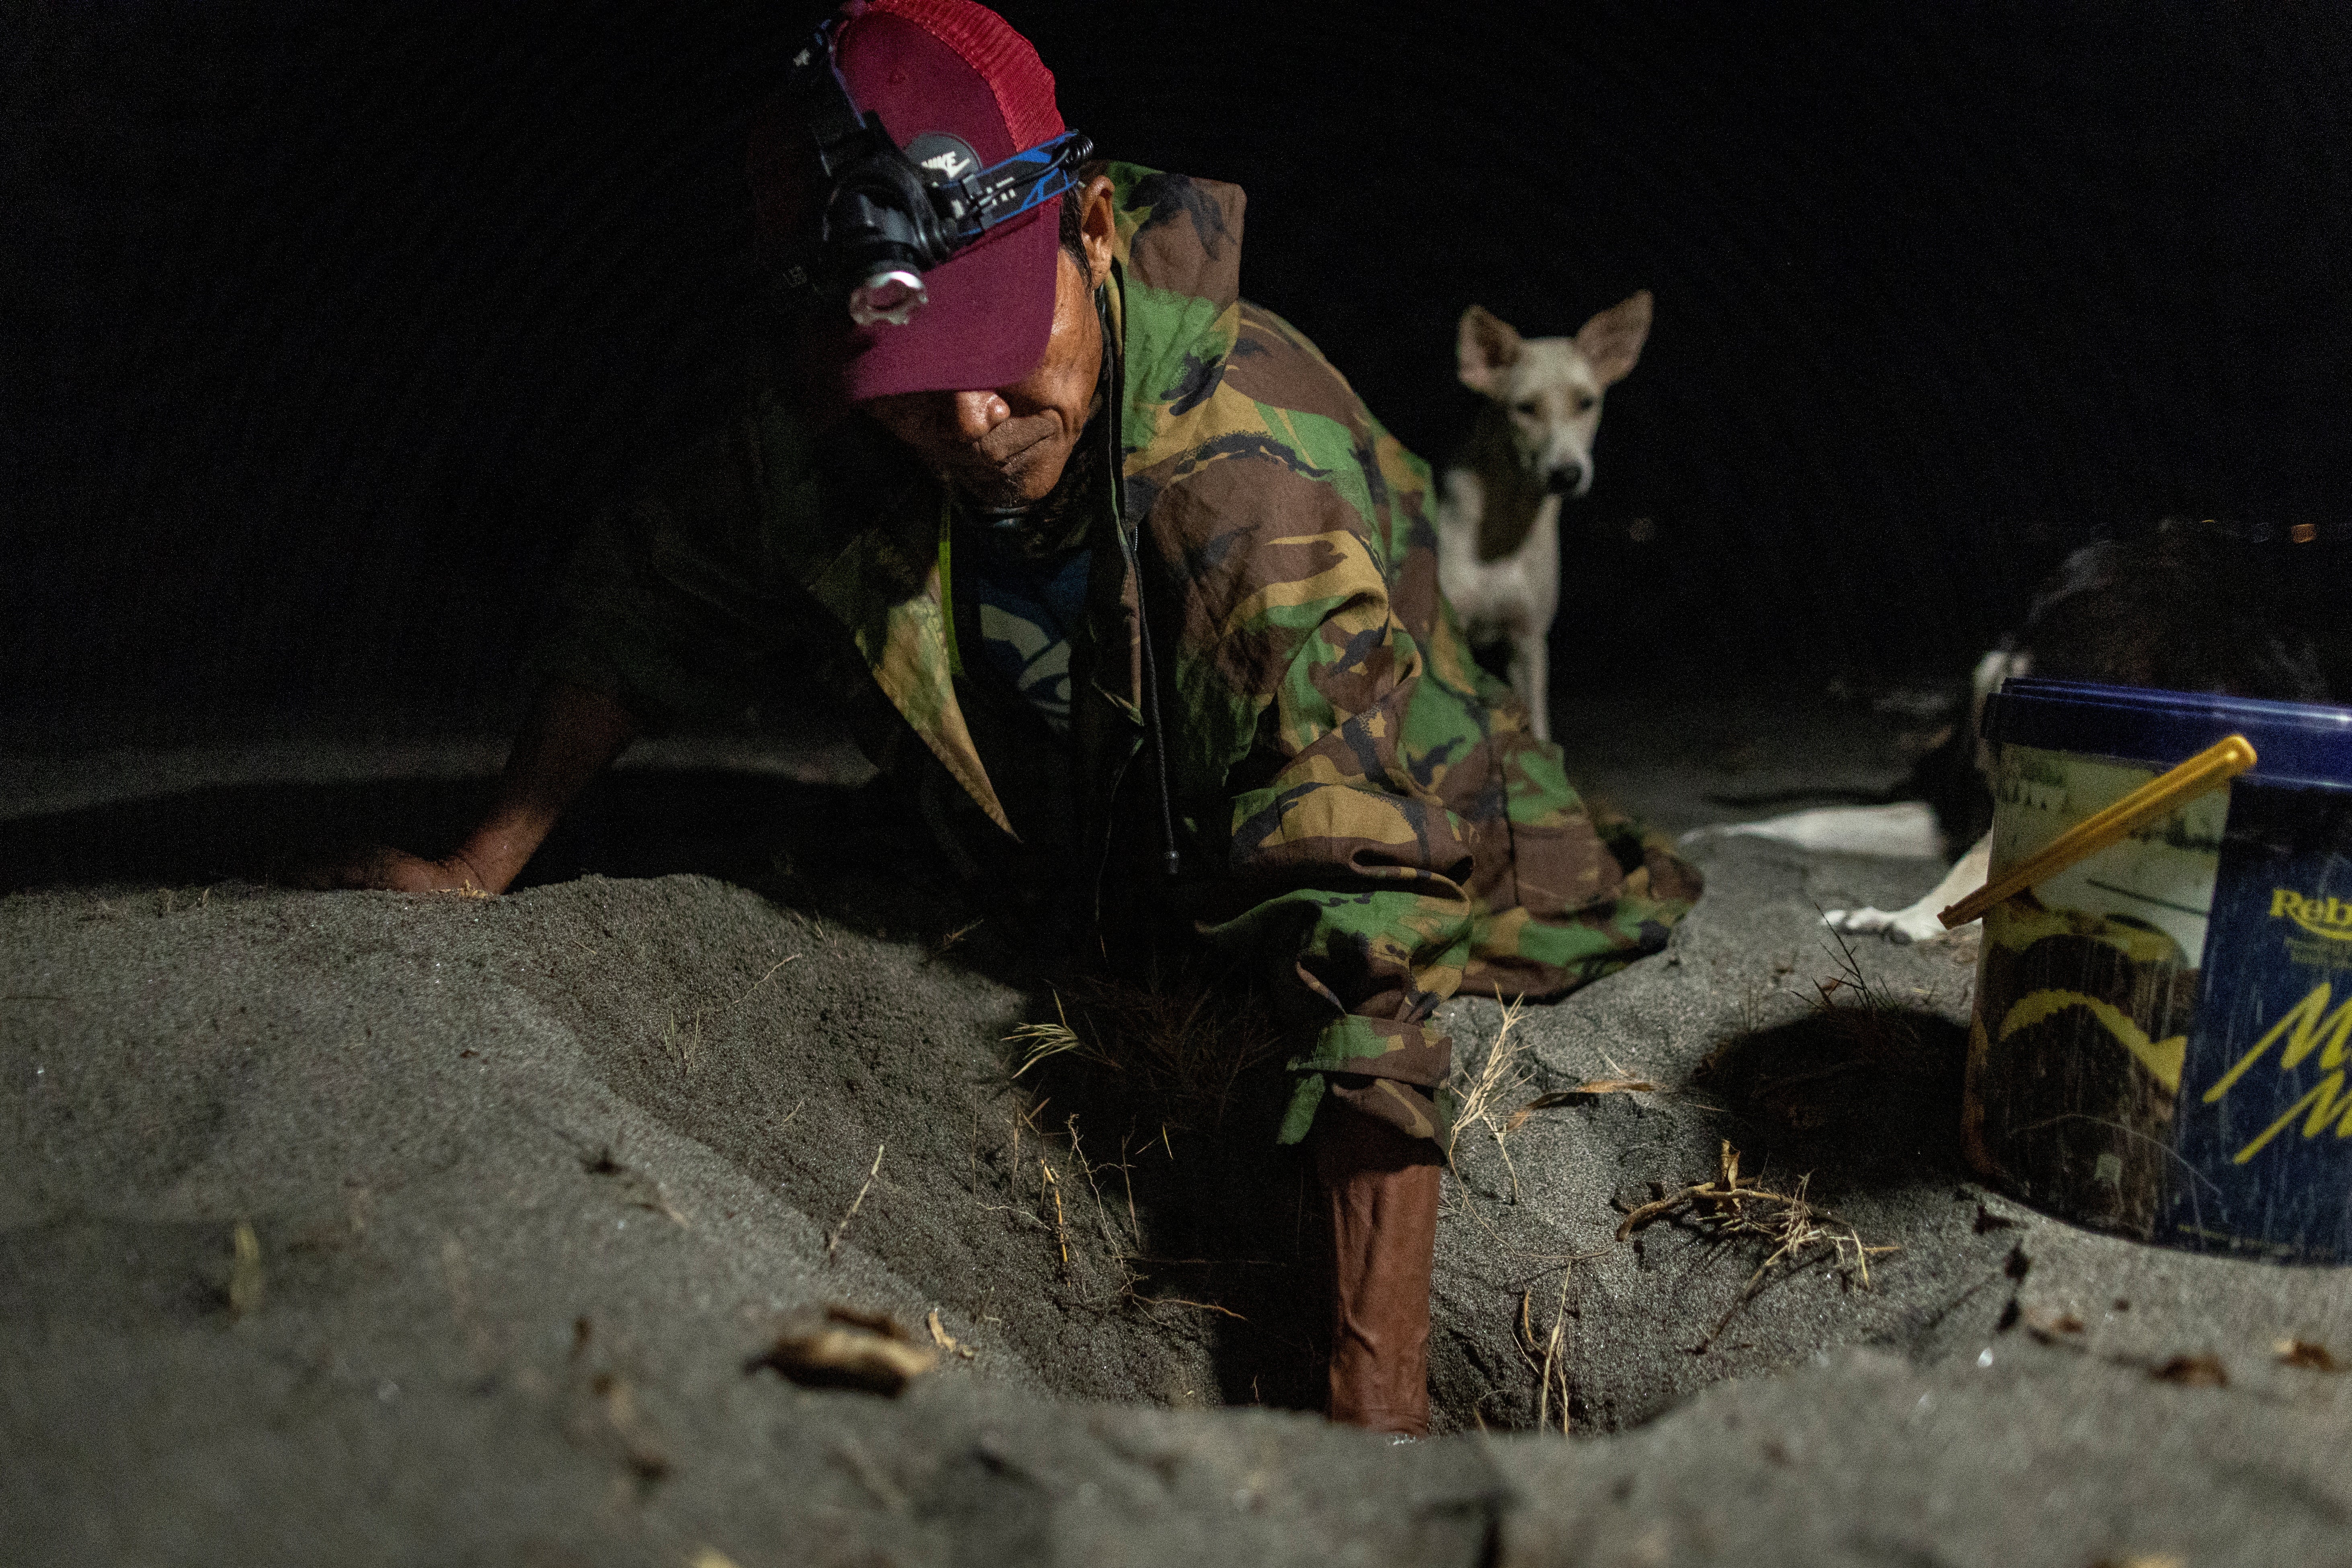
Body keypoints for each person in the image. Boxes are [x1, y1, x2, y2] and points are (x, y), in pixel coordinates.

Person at [321, 0, 1700, 1437]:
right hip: (1070, 825)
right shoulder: (843, 410)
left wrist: (1375, 1404)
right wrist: (483, 860)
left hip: (1381, 814)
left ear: (1091, 228)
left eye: (999, 340)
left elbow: (1375, 914)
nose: (974, 423)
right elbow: (657, 577)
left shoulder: (1248, 477)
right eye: (914, 391)